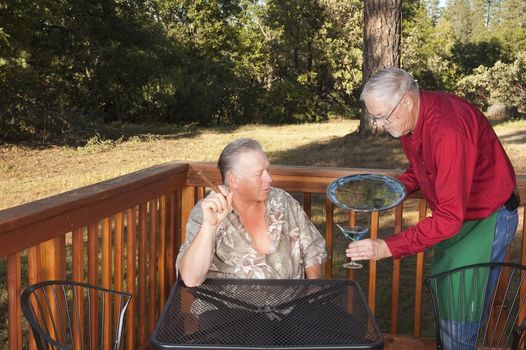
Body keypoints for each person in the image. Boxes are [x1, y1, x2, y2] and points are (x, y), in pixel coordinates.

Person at [348, 67, 520, 349]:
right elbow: (424, 167)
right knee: (446, 303)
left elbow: (450, 217)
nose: (378, 123)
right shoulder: (409, 120)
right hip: (458, 217)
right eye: (373, 116)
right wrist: (395, 188)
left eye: (382, 116)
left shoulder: (447, 131)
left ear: (406, 101)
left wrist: (386, 247)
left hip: (486, 219)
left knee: (461, 312)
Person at [177, 138, 328, 287]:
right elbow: (191, 279)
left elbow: (313, 249)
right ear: (233, 180)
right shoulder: (206, 212)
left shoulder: (282, 200)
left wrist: (312, 294)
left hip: (291, 306)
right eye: (258, 174)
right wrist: (210, 226)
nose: (269, 178)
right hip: (228, 309)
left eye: (268, 170)